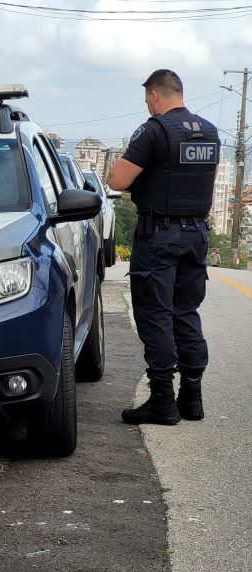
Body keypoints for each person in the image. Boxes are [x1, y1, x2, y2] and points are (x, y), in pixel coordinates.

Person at [108, 69, 220, 425]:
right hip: (196, 233)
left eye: (147, 101)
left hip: (159, 237)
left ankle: (162, 401)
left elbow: (117, 179)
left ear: (155, 96)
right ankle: (193, 397)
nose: (148, 106)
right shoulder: (210, 132)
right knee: (186, 312)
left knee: (155, 314)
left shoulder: (154, 130)